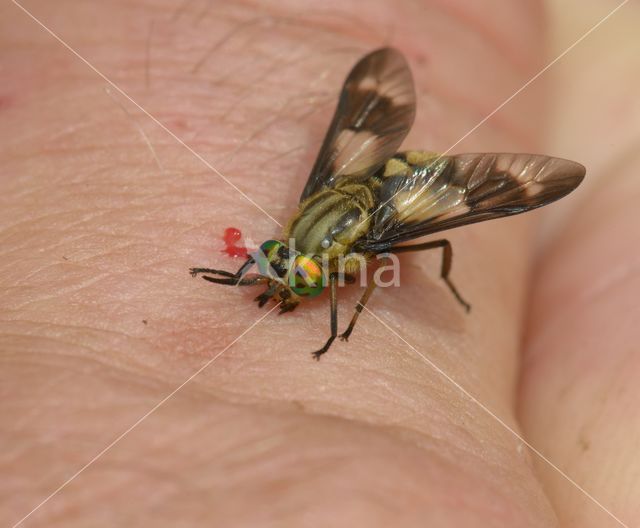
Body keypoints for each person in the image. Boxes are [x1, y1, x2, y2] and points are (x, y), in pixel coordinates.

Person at [1, 0, 637, 526]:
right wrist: (260, 270)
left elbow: (352, 278)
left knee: (438, 239)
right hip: (353, 187)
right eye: (282, 260)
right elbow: (297, 254)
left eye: (292, 268)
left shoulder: (351, 257)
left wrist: (344, 329)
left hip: (399, 203)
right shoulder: (298, 236)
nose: (286, 267)